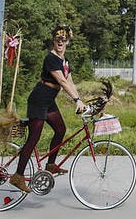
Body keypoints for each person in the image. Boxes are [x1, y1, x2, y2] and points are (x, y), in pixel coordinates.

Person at [9, 24, 87, 193]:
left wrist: (81, 101)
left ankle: (51, 165)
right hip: (39, 99)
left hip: (49, 100)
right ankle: (18, 176)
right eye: (58, 39)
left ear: (67, 42)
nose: (60, 42)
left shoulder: (65, 61)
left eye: (64, 39)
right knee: (33, 138)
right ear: (54, 40)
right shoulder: (50, 58)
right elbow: (62, 82)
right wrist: (76, 100)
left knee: (60, 129)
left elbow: (70, 82)